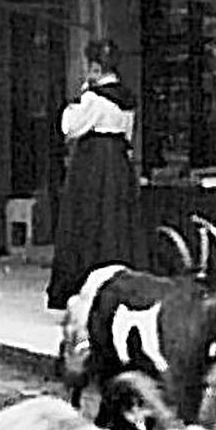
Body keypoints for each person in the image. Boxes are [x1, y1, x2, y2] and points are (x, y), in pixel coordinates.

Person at [48, 37, 146, 309]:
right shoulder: (127, 99)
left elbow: (71, 128)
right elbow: (128, 135)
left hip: (92, 163)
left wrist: (75, 102)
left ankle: (81, 286)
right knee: (115, 223)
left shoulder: (92, 97)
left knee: (87, 222)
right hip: (117, 161)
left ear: (94, 68)